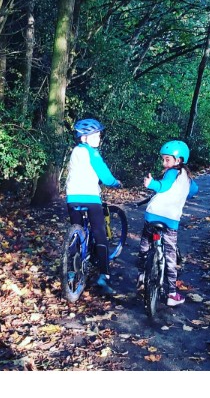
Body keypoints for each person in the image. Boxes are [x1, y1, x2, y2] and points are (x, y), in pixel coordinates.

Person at [137, 140, 199, 307]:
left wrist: (152, 184)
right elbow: (194, 191)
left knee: (145, 245)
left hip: (153, 215)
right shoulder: (187, 178)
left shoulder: (172, 173)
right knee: (170, 256)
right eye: (163, 159)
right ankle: (172, 294)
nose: (164, 163)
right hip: (171, 220)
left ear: (178, 161)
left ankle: (142, 275)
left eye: (167, 160)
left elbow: (163, 186)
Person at [65, 117, 122, 293]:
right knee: (99, 233)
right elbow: (104, 176)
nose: (99, 138)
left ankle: (71, 273)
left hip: (72, 197)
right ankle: (104, 276)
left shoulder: (74, 151)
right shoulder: (92, 152)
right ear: (84, 138)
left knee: (76, 230)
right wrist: (115, 183)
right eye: (95, 135)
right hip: (90, 197)